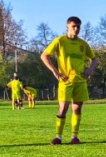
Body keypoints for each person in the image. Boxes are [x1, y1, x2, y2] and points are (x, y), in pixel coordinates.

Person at [41, 17, 97, 145]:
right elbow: (44, 55)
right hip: (65, 81)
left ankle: (74, 137)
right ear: (67, 27)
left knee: (77, 109)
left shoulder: (83, 44)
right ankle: (58, 137)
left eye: (78, 27)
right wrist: (55, 72)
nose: (76, 29)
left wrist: (89, 70)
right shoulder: (60, 41)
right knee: (63, 109)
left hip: (80, 81)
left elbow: (94, 59)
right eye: (73, 26)